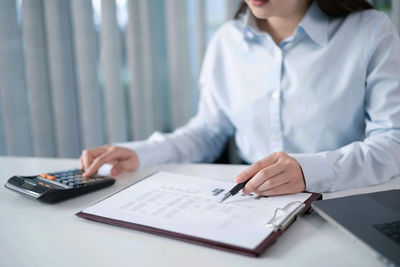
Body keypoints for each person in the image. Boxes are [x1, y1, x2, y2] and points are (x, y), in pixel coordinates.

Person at [80, 0, 400, 195]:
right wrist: (141, 153)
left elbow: (392, 142)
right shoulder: (227, 40)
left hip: (344, 195)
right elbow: (208, 130)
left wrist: (310, 171)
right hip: (250, 201)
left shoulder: (370, 31)